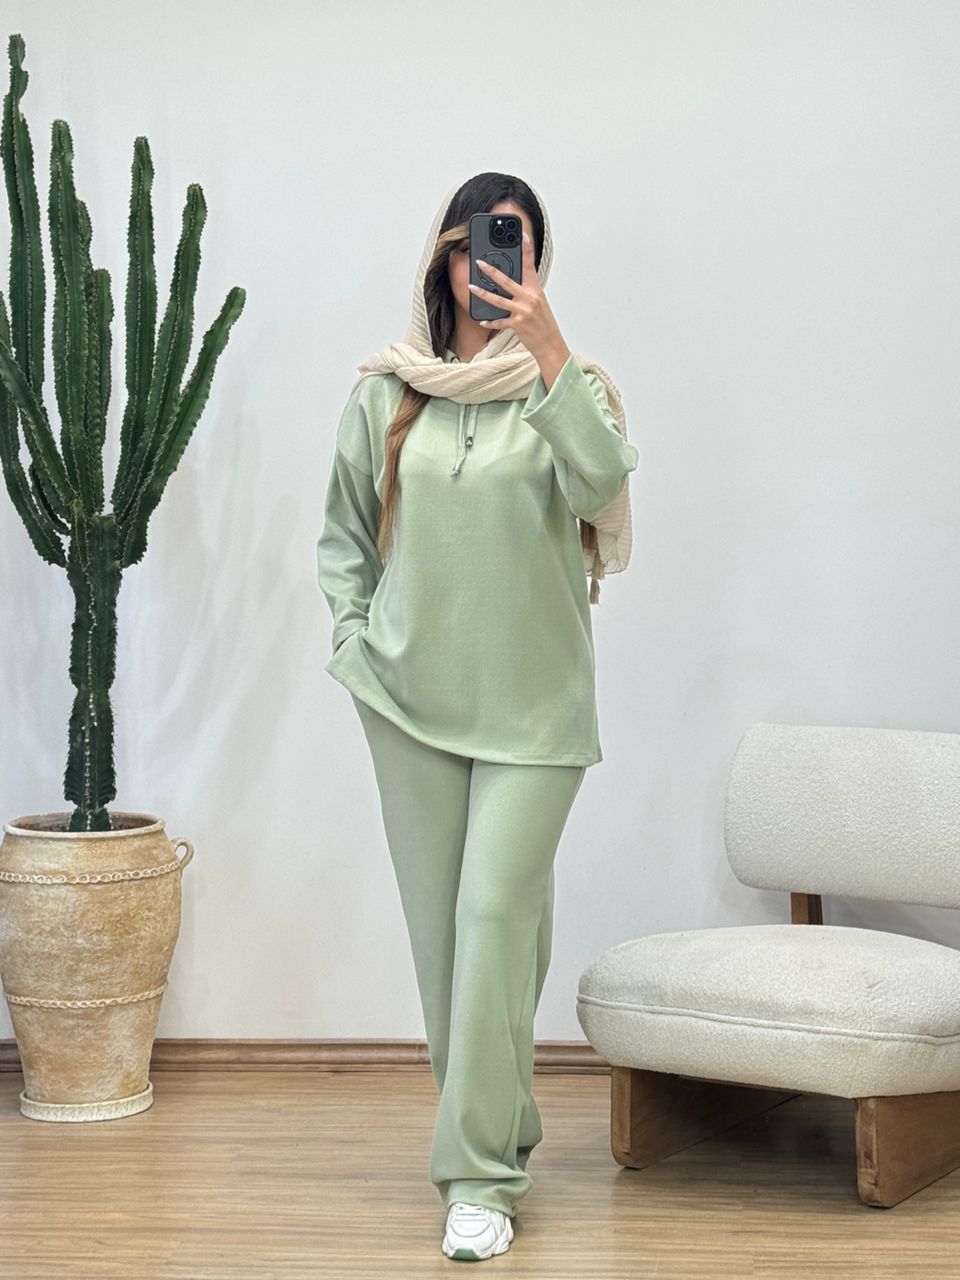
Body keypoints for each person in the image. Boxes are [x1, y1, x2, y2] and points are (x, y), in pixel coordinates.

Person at [316, 172, 639, 1261]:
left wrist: (548, 350)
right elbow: (342, 533)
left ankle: (479, 1178)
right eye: (476, 245)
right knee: (444, 945)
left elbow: (601, 488)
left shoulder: (572, 387)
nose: (493, 266)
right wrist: (354, 638)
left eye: (516, 246)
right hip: (409, 702)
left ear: (536, 265)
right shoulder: (387, 393)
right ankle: (500, 1125)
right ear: (442, 259)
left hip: (536, 710)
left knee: (497, 920)